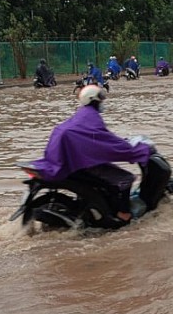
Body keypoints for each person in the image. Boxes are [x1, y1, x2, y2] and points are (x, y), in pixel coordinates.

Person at [28, 84, 153, 223]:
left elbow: (101, 139)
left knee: (111, 179)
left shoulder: (84, 115)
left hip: (72, 160)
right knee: (126, 178)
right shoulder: (91, 118)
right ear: (93, 100)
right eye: (100, 99)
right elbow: (105, 142)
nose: (102, 102)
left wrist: (121, 143)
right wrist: (134, 150)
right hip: (83, 164)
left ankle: (107, 207)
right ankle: (123, 214)